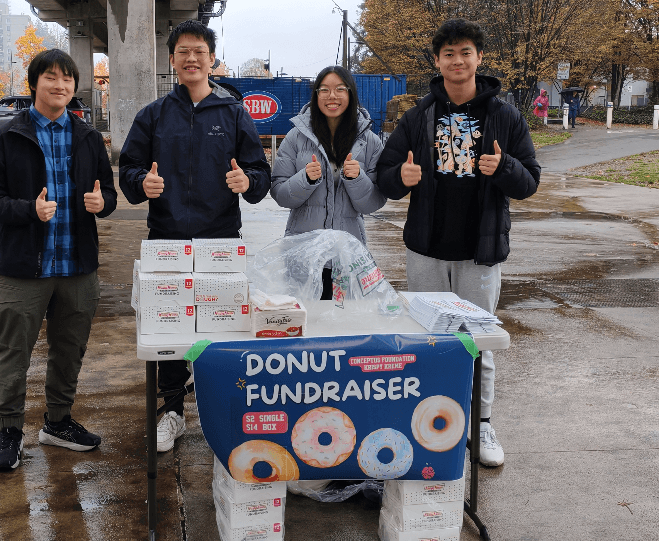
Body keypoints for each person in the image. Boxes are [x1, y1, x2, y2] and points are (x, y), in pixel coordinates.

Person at [377, 18, 541, 467]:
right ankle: (428, 417)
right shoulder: (418, 116)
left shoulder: (505, 116)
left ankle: (481, 424)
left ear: (478, 58)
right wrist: (400, 178)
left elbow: (530, 182)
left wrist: (504, 167)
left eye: (465, 52)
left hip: (479, 251)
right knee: (426, 340)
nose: (457, 60)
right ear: (437, 61)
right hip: (427, 249)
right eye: (448, 53)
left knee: (479, 340)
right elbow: (386, 177)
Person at [120, 20, 271, 453]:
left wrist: (248, 182)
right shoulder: (153, 115)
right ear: (172, 60)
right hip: (166, 238)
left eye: (199, 51)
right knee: (169, 331)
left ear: (211, 59)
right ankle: (172, 412)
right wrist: (139, 185)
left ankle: (223, 408)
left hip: (220, 240)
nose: (191, 58)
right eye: (183, 51)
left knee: (221, 327)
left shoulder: (233, 113)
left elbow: (259, 173)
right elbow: (130, 169)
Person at [0, 49, 117, 471]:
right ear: (34, 83)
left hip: (77, 266)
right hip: (26, 267)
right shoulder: (8, 137)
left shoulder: (88, 137)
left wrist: (101, 203)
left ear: (76, 87)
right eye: (51, 77)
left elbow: (108, 195)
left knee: (69, 350)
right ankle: (9, 431)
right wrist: (28, 211)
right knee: (14, 350)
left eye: (67, 79)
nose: (60, 85)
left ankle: (58, 422)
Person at [270, 65, 386, 301]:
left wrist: (357, 178)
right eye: (324, 90)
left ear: (350, 94)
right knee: (305, 323)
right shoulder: (295, 138)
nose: (332, 96)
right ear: (316, 96)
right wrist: (306, 179)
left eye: (340, 89)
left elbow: (373, 203)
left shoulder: (370, 142)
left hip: (348, 256)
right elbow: (280, 193)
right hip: (303, 253)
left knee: (345, 325)